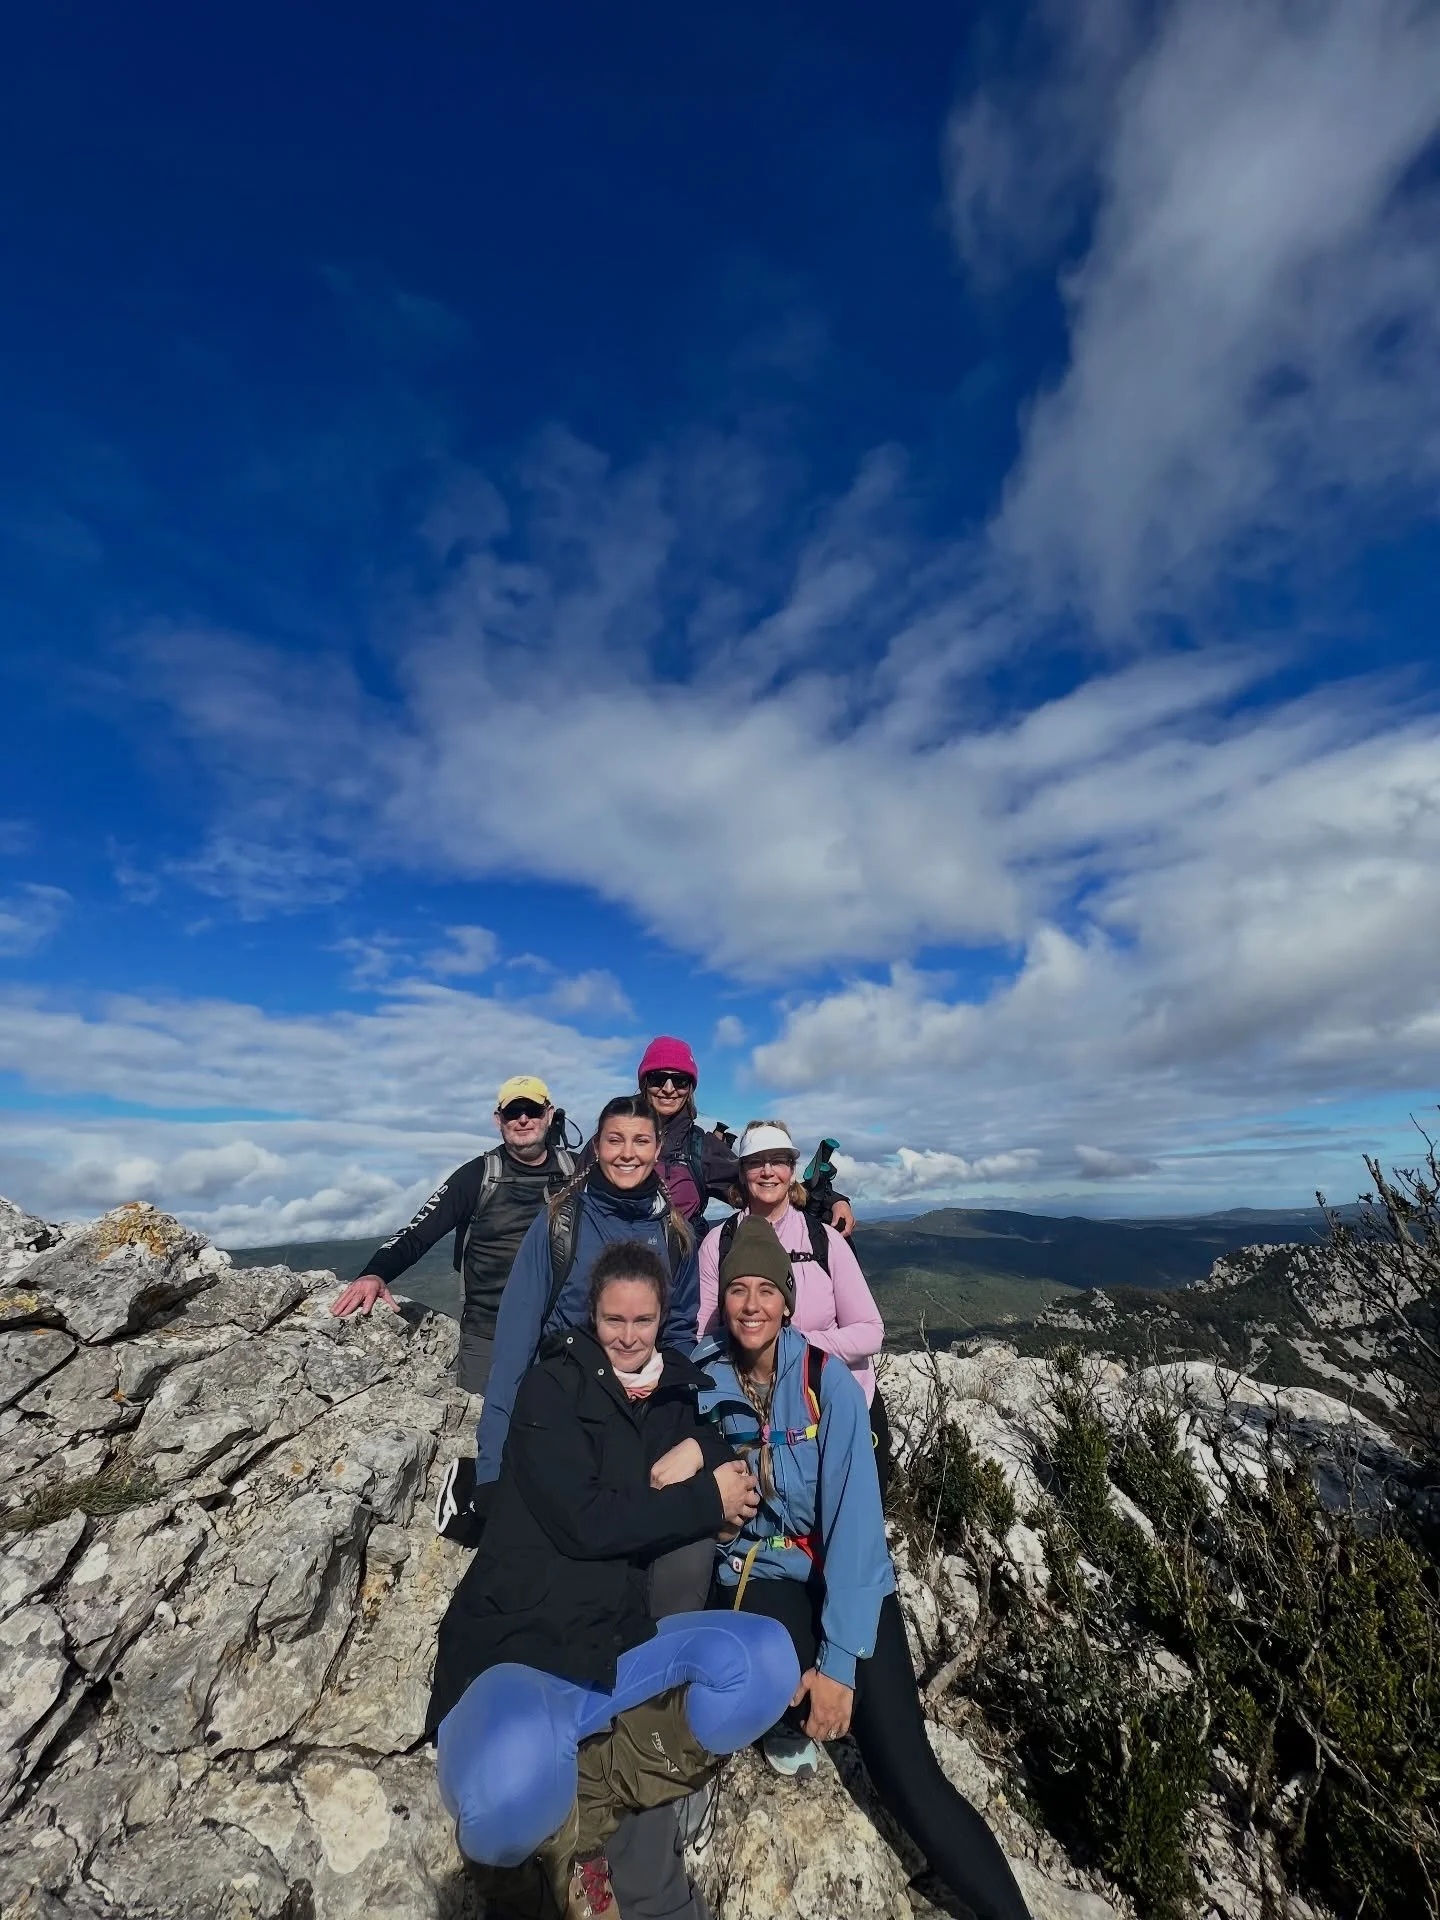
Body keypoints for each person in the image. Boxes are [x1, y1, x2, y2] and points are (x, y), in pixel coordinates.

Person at [431, 1240, 799, 1920]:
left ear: (664, 1319)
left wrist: (706, 1447)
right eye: (613, 1321)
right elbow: (587, 1523)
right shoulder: (552, 1387)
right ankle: (556, 1856)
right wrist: (697, 1498)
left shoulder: (676, 1394)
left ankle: (595, 1801)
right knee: (508, 1792)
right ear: (590, 1318)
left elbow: (722, 1468)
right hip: (524, 1640)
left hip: (617, 1645)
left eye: (643, 1321)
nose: (628, 1338)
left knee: (768, 1658)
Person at [695, 1217, 1034, 1920]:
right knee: (766, 1667)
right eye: (737, 1290)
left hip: (846, 1578)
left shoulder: (827, 1383)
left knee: (907, 1777)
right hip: (761, 1573)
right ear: (721, 1298)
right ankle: (784, 1717)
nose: (751, 1305)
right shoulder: (698, 1382)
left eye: (766, 1290)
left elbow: (855, 1532)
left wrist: (842, 1665)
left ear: (789, 1301)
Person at [476, 1094, 699, 1487]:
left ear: (658, 1148)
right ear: (597, 1146)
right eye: (615, 1140)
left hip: (643, 1427)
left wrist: (677, 1426)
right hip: (564, 1418)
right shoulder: (559, 1224)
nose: (627, 1153)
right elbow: (513, 1351)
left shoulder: (675, 1233)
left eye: (641, 1141)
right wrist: (491, 1474)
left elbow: (679, 1336)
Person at [330, 1074, 574, 1393]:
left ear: (550, 1114)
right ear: (498, 1119)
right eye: (514, 1112)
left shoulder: (578, 1172)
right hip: (490, 1336)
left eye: (533, 1110)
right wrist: (374, 1273)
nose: (524, 1119)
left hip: (563, 1334)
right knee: (482, 1434)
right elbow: (418, 1233)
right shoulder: (477, 1176)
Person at [625, 1036, 856, 1237]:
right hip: (611, 1269)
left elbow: (761, 1184)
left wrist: (831, 1199)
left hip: (679, 1277)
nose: (668, 1088)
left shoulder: (700, 1147)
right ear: (644, 1082)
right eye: (657, 1078)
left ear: (690, 1088)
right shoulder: (610, 1141)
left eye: (679, 1080)